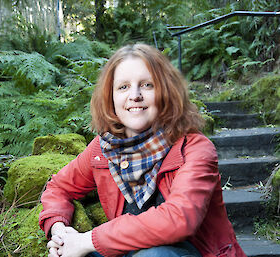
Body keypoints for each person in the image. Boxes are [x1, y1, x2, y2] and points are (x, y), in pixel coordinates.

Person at [39, 43, 247, 257]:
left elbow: (179, 219)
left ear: (165, 91)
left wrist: (87, 240)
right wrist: (60, 232)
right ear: (110, 97)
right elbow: (58, 187)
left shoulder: (194, 148)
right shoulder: (103, 149)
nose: (135, 95)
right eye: (123, 87)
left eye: (147, 85)